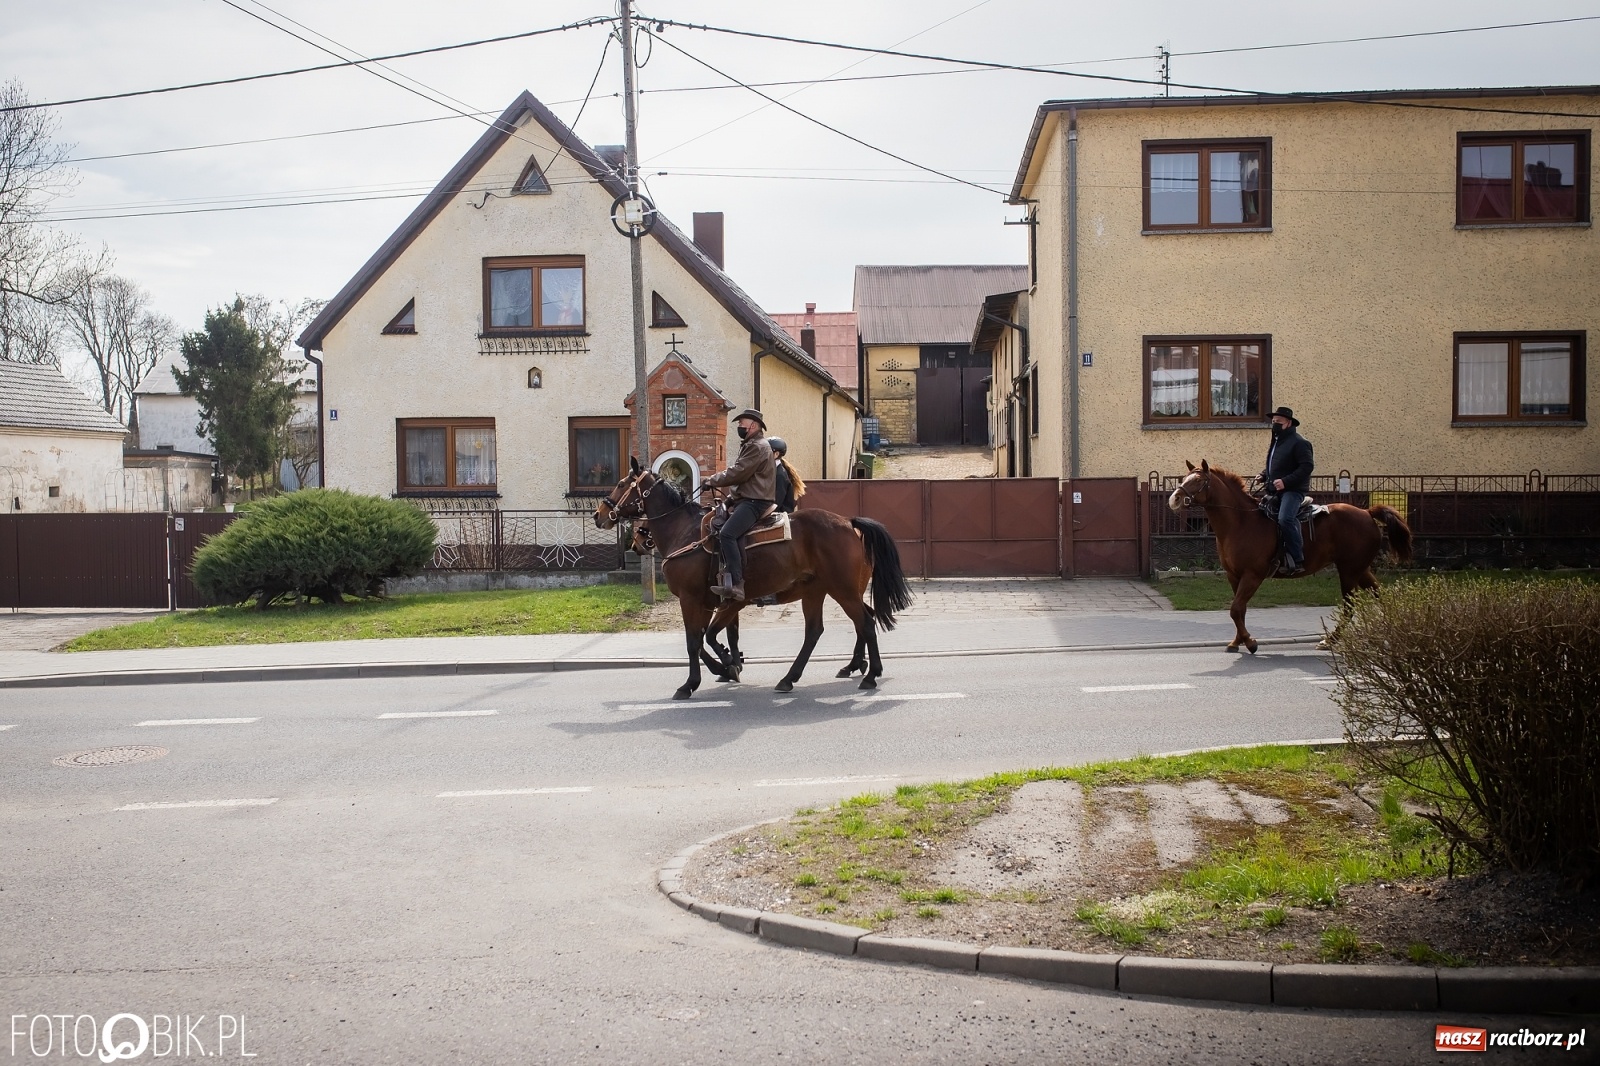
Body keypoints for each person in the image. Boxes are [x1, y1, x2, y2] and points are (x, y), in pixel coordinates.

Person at [701, 409, 776, 602]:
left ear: (753, 425)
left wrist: (712, 480)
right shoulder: (752, 444)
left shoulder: (757, 446)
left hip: (754, 501)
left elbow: (739, 472)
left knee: (727, 534)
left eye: (742, 423)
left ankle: (737, 583)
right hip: (746, 498)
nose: (739, 427)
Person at [1260, 405, 1314, 575]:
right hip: (1275, 491)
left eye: (1278, 422)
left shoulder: (1300, 443)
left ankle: (1298, 559)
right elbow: (1276, 465)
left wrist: (1285, 482)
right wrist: (1263, 475)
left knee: (1285, 519)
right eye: (1273, 421)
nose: (1274, 424)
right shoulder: (1277, 441)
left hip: (1293, 491)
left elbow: (1307, 467)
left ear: (1288, 423)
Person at [767, 437, 806, 514]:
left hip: (780, 515)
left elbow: (777, 502)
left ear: (776, 454)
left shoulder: (780, 475)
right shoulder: (773, 471)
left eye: (766, 452)